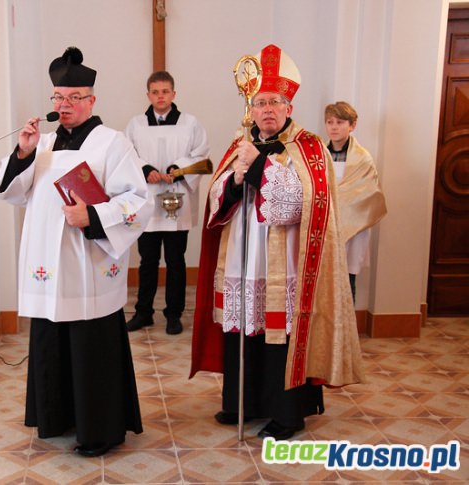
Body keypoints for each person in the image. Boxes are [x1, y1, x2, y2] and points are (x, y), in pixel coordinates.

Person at [190, 45, 364, 441]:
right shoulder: (240, 143)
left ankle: (286, 413)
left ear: (289, 107)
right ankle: (245, 403)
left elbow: (295, 206)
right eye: (260, 102)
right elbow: (216, 198)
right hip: (242, 256)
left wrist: (260, 165)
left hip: (286, 261)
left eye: (276, 102)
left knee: (277, 334)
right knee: (244, 329)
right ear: (250, 109)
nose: (267, 109)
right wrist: (234, 180)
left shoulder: (309, 147)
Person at [0, 47, 153, 457]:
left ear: (91, 100)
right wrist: (23, 153)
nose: (64, 106)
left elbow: (139, 201)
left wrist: (94, 217)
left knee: (89, 346)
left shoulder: (111, 143)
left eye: (73, 98)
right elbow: (11, 190)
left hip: (88, 264)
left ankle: (99, 430)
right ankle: (57, 416)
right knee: (51, 339)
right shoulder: (41, 143)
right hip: (47, 265)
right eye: (58, 98)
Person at [124, 71, 209, 335]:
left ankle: (174, 314)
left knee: (175, 260)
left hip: (177, 199)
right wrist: (146, 168)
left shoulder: (190, 123)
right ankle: (143, 312)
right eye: (155, 92)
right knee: (147, 260)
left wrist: (178, 168)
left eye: (165, 91)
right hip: (148, 200)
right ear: (148, 94)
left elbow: (201, 154)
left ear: (174, 93)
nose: (160, 96)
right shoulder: (136, 125)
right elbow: (127, 155)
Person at [324, 101, 387, 302]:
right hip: (324, 225)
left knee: (347, 280)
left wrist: (338, 203)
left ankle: (347, 332)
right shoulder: (319, 156)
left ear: (352, 125)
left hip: (353, 228)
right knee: (323, 280)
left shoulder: (362, 158)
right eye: (329, 122)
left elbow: (368, 195)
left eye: (340, 122)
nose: (334, 127)